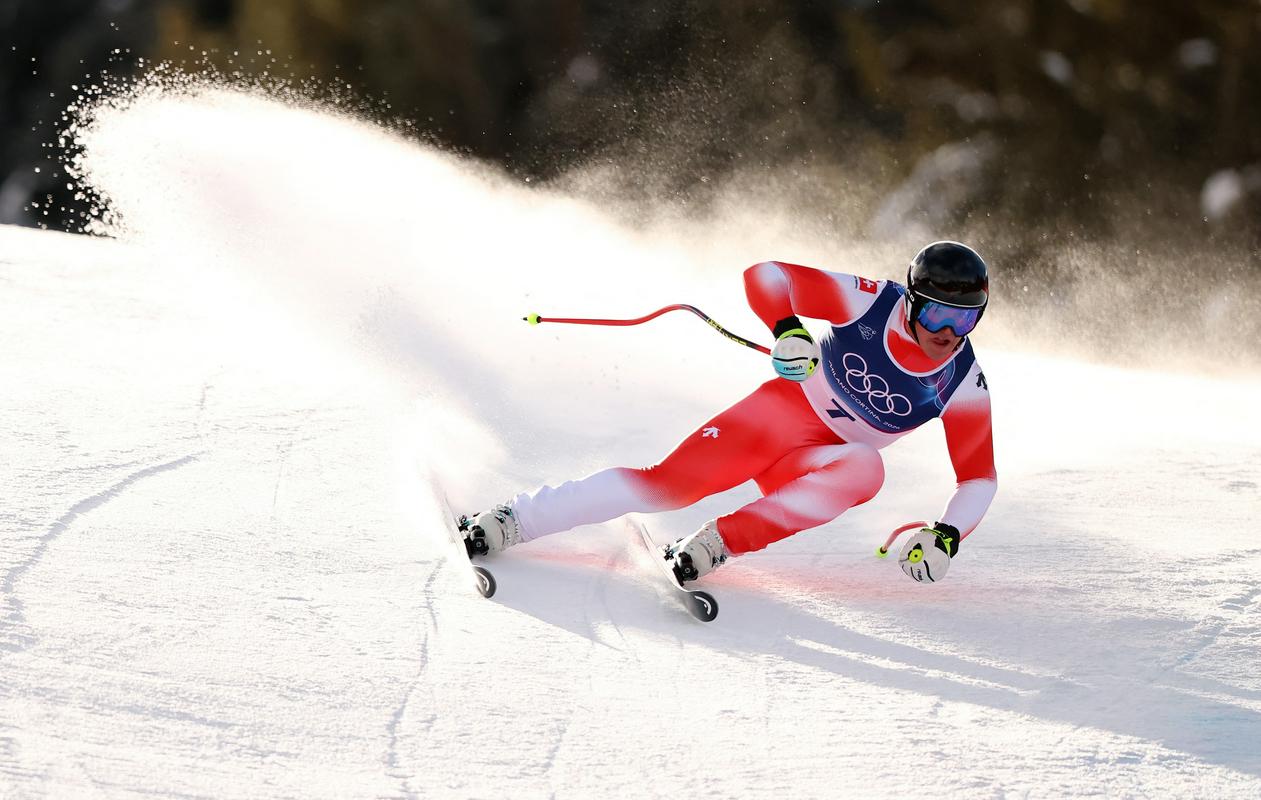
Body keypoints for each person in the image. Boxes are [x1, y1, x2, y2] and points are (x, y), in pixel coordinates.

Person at [462, 241, 997, 584]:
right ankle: (515, 520)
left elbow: (979, 479)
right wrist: (788, 329)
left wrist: (946, 534)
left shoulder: (962, 380)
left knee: (868, 468)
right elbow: (766, 275)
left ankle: (718, 542)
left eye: (965, 319)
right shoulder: (871, 301)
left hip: (815, 462)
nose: (948, 333)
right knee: (669, 486)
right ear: (911, 300)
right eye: (937, 312)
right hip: (778, 417)